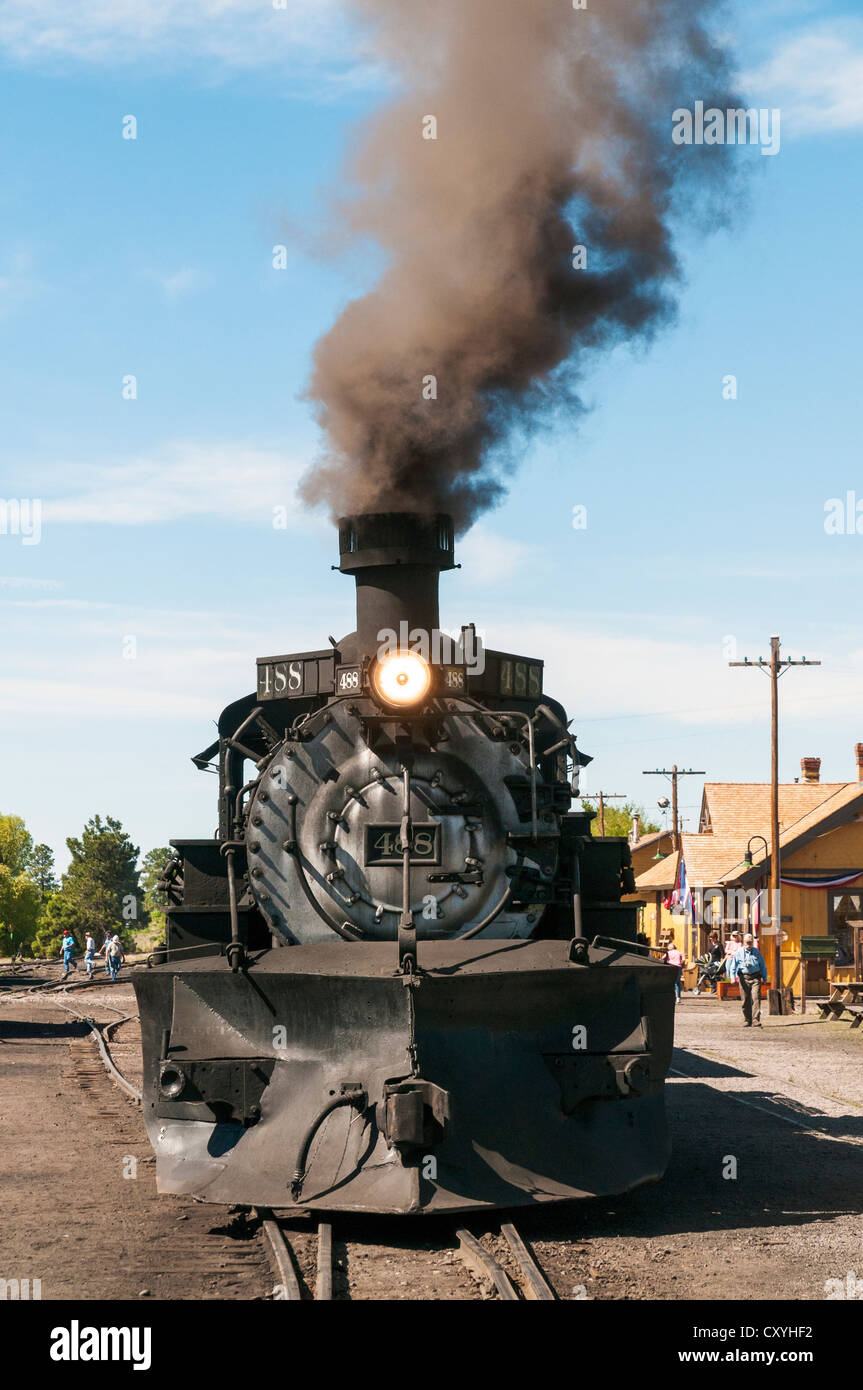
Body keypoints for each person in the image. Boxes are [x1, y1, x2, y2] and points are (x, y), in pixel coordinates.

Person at [730, 932, 768, 1027]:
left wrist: (764, 977)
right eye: (747, 942)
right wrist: (732, 977)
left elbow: (762, 965)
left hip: (755, 978)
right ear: (744, 942)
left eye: (750, 942)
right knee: (745, 1000)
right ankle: (747, 1020)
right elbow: (733, 966)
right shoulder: (739, 952)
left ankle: (755, 1020)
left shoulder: (757, 952)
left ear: (752, 942)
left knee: (756, 998)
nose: (748, 944)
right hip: (744, 978)